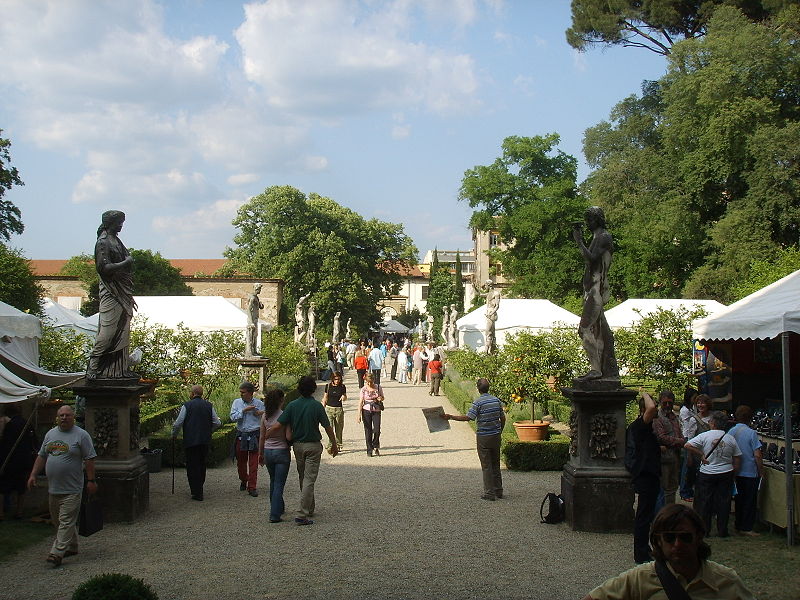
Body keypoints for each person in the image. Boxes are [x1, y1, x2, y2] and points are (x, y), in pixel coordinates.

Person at [582, 504, 755, 600]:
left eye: (685, 537)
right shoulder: (640, 579)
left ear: (699, 537)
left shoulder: (726, 581)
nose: (677, 544)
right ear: (658, 540)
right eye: (670, 538)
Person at [27, 405, 97, 568]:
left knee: (66, 520)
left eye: (67, 415)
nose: (64, 418)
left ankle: (56, 553)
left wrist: (91, 480)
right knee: (58, 521)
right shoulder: (50, 434)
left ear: (73, 417)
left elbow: (90, 459)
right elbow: (42, 456)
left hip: (72, 488)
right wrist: (33, 474)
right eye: (61, 415)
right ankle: (71, 546)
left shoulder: (81, 435)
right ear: (57, 417)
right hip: (54, 488)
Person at [263, 376, 338, 525]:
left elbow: (279, 424)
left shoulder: (292, 405)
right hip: (313, 445)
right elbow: (327, 426)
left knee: (303, 477)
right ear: (313, 389)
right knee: (309, 479)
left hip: (298, 446)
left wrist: (267, 434)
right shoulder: (316, 406)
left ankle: (309, 508)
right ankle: (302, 514)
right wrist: (334, 443)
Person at [87, 210, 137, 380]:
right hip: (111, 291)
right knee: (108, 331)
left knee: (123, 330)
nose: (121, 225)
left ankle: (118, 369)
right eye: (119, 222)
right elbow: (104, 268)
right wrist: (126, 262)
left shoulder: (116, 240)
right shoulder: (103, 242)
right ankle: (94, 366)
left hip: (122, 291)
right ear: (110, 223)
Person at [571, 206, 619, 382]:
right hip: (592, 290)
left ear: (597, 219)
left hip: (596, 291)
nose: (587, 223)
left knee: (584, 329)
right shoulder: (597, 237)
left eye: (589, 220)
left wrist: (579, 241)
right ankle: (602, 369)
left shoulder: (603, 237)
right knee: (598, 331)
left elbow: (591, 260)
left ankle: (596, 369)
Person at [442, 378, 505, 500]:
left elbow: (468, 418)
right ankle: (498, 491)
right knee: (496, 464)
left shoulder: (478, 403)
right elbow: (503, 418)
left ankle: (489, 493)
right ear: (489, 388)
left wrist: (451, 417)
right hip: (496, 436)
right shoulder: (496, 400)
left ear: (478, 388)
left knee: (486, 465)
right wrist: (499, 431)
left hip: (484, 437)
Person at [685, 411, 741, 537]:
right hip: (725, 472)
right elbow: (737, 457)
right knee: (724, 502)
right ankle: (722, 529)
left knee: (705, 501)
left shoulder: (705, 436)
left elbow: (687, 445)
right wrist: (734, 471)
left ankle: (705, 529)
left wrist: (701, 454)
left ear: (713, 423)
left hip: (707, 472)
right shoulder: (730, 438)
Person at [171, 385, 222, 501]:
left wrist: (174, 435)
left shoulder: (187, 405)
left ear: (193, 393)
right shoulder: (209, 405)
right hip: (204, 440)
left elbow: (178, 423)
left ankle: (196, 491)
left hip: (191, 440)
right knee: (201, 464)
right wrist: (209, 430)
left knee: (192, 465)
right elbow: (217, 422)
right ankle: (199, 487)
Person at [626, 390, 660, 564]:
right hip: (645, 476)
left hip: (648, 475)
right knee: (643, 516)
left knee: (645, 515)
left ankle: (644, 549)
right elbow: (652, 407)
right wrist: (645, 393)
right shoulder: (640, 425)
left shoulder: (640, 428)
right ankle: (641, 554)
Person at [727, 405, 763, 536]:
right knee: (749, 500)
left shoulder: (731, 432)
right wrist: (761, 470)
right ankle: (747, 527)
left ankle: (738, 524)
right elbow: (757, 455)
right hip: (749, 471)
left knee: (739, 500)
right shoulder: (751, 433)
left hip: (736, 471)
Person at [258, 387, 291, 523]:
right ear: (281, 400)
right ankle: (274, 514)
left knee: (273, 481)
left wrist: (260, 453)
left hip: (268, 450)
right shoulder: (284, 415)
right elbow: (289, 436)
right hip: (281, 451)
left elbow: (261, 437)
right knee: (279, 484)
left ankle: (278, 507)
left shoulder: (265, 416)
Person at [0, 404, 36, 519]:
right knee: (21, 488)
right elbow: (33, 441)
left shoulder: (10, 425)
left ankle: (1, 514)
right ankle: (19, 512)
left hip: (10, 460)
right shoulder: (27, 423)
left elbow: (5, 443)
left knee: (3, 487)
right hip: (24, 461)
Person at [230, 381, 265, 497]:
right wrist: (243, 411)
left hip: (255, 435)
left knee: (253, 463)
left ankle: (252, 486)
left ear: (250, 393)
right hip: (242, 434)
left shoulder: (259, 403)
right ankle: (244, 479)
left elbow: (266, 416)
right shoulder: (237, 403)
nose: (241, 394)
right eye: (240, 392)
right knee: (241, 462)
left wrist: (260, 412)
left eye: (243, 392)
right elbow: (232, 417)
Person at [652, 390, 684, 506]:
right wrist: (679, 441)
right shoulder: (657, 417)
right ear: (660, 402)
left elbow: (679, 433)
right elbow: (661, 437)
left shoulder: (674, 417)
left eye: (669, 403)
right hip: (663, 459)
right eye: (664, 403)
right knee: (663, 488)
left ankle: (671, 511)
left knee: (673, 487)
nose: (667, 405)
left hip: (675, 457)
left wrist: (679, 441)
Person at [678, 387, 699, 501]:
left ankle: (688, 490)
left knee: (691, 467)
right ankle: (684, 491)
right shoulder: (685, 410)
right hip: (687, 438)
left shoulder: (692, 409)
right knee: (687, 465)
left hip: (692, 437)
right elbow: (686, 428)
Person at [358, 373, 385, 457]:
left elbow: (383, 397)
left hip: (376, 409)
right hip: (366, 410)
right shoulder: (363, 389)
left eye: (370, 382)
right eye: (367, 382)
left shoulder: (378, 387)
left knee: (377, 429)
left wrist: (380, 398)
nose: (369, 384)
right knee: (368, 430)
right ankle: (369, 449)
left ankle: (375, 444)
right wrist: (358, 415)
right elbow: (360, 402)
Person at [322, 371, 347, 450]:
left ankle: (338, 444)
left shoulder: (342, 387)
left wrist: (343, 396)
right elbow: (325, 397)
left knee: (339, 428)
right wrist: (323, 407)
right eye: (336, 379)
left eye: (339, 379)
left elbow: (345, 396)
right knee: (329, 428)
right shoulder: (328, 386)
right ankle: (330, 444)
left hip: (338, 409)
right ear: (332, 379)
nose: (337, 381)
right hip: (329, 409)